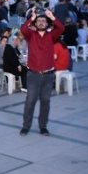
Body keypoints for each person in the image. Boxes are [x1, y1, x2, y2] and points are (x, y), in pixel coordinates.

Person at [19, 8, 63, 136]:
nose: (41, 22)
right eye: (39, 21)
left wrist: (53, 17)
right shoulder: (31, 36)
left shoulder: (51, 36)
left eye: (44, 20)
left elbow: (60, 29)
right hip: (33, 74)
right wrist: (31, 18)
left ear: (47, 23)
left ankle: (43, 126)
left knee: (45, 102)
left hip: (48, 75)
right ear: (35, 23)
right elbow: (23, 29)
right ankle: (26, 126)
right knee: (30, 101)